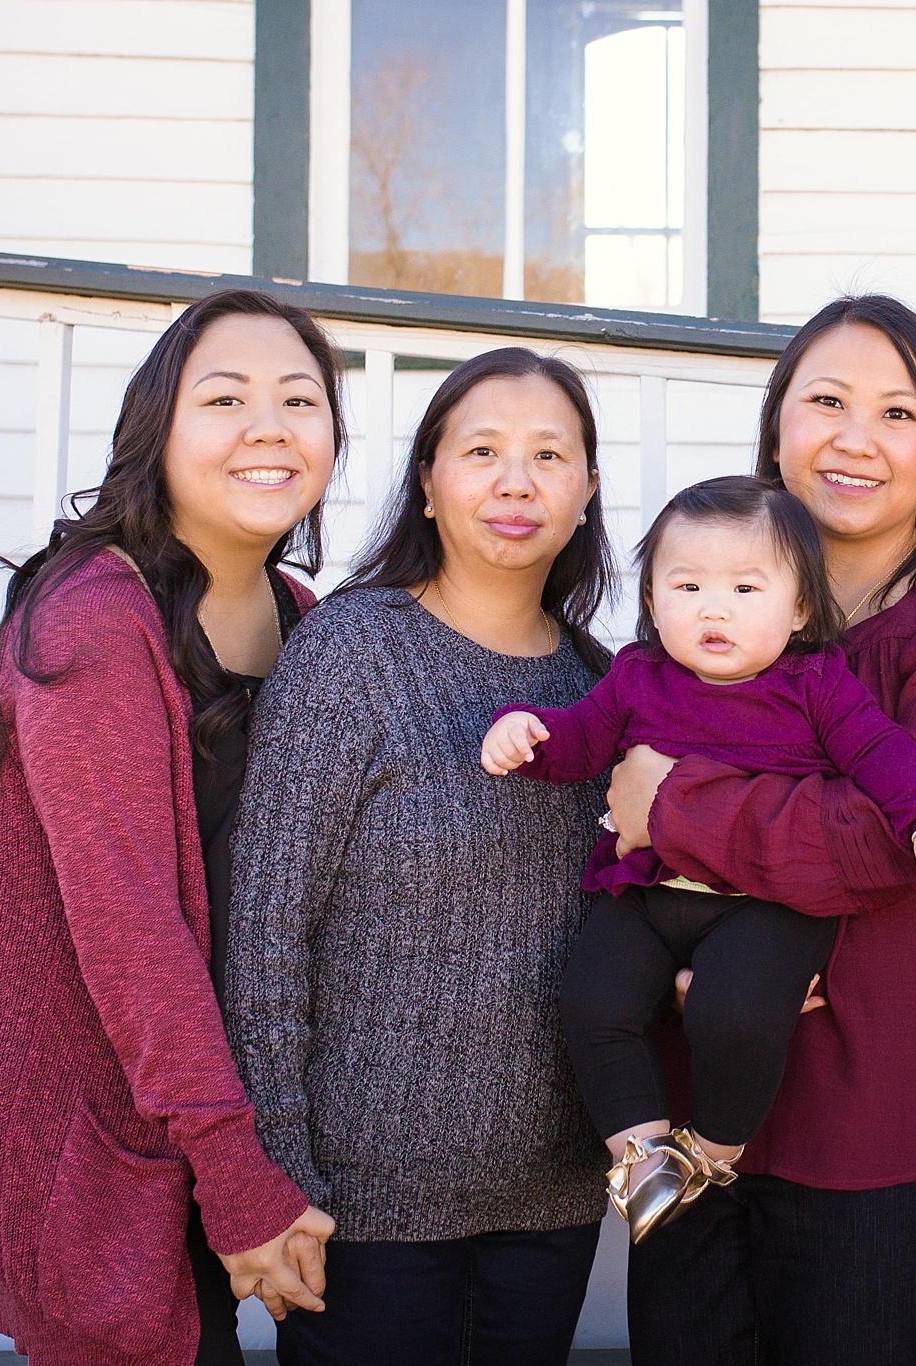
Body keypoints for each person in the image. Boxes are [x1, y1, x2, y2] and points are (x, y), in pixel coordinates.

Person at [604, 297, 916, 1365]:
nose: (855, 437)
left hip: (888, 1131)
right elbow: (614, 833)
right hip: (700, 1113)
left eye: (897, 414)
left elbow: (888, 838)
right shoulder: (705, 609)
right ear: (776, 429)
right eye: (826, 402)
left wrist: (672, 805)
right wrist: (661, 954)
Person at [0, 289, 343, 1365]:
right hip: (86, 1126)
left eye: (300, 399)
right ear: (155, 433)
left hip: (216, 1107)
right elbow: (130, 930)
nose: (269, 425)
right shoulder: (93, 619)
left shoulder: (307, 618)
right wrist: (237, 1170)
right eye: (225, 398)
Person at [224, 347, 616, 1366]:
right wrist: (276, 1172)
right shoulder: (351, 653)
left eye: (548, 455)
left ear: (585, 492)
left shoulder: (605, 688)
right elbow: (266, 934)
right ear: (430, 484)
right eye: (481, 450)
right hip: (361, 1213)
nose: (516, 482)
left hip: (553, 1196)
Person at [485, 475, 916, 1243]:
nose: (714, 609)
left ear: (800, 609)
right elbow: (581, 743)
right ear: (651, 602)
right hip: (646, 893)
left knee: (736, 1012)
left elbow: (884, 757)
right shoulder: (636, 677)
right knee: (593, 1000)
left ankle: (714, 1148)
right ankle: (642, 1157)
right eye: (687, 585)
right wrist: (527, 733)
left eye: (747, 587)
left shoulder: (816, 685)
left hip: (766, 907)